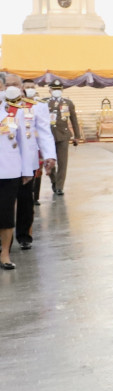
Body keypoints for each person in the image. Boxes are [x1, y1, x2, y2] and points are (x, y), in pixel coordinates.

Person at [0, 73, 46, 270]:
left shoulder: (16, 110)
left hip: (9, 169)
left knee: (7, 212)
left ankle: (6, 252)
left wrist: (27, 169)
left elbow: (25, 142)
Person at [14, 79, 53, 249]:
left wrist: (49, 155)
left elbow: (43, 131)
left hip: (26, 160)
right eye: (7, 85)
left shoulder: (34, 106)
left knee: (25, 200)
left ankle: (24, 235)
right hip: (4, 160)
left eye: (15, 85)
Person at [44, 80, 80, 198]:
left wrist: (77, 136)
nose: (56, 91)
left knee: (62, 162)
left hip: (63, 135)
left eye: (58, 89)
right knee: (50, 161)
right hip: (48, 135)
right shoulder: (44, 102)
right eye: (54, 89)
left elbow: (74, 120)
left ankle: (59, 187)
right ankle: (54, 180)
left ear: (62, 90)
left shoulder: (68, 103)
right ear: (50, 90)